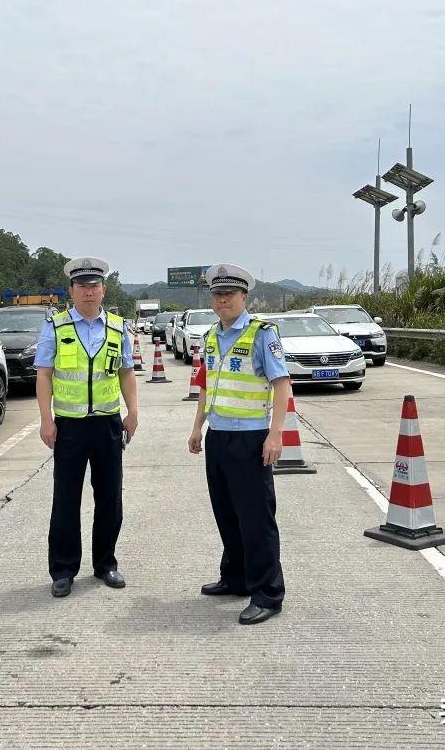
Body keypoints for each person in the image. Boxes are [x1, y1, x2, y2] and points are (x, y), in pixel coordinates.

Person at [187, 263, 291, 625]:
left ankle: (267, 593)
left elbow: (281, 385)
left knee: (256, 519)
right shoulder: (211, 336)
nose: (222, 300)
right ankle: (235, 579)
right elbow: (206, 387)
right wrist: (197, 427)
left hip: (250, 438)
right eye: (217, 295)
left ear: (244, 297)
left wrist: (275, 434)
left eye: (229, 294)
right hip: (218, 438)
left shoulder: (263, 334)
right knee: (227, 513)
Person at [35, 257, 138, 597]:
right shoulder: (56, 326)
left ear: (103, 289)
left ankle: (106, 563)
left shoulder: (118, 327)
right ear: (72, 290)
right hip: (69, 426)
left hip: (108, 424)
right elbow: (44, 374)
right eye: (82, 286)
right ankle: (63, 570)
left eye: (95, 285)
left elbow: (125, 372)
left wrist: (132, 411)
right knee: (66, 499)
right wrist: (46, 420)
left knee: (110, 498)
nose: (89, 291)